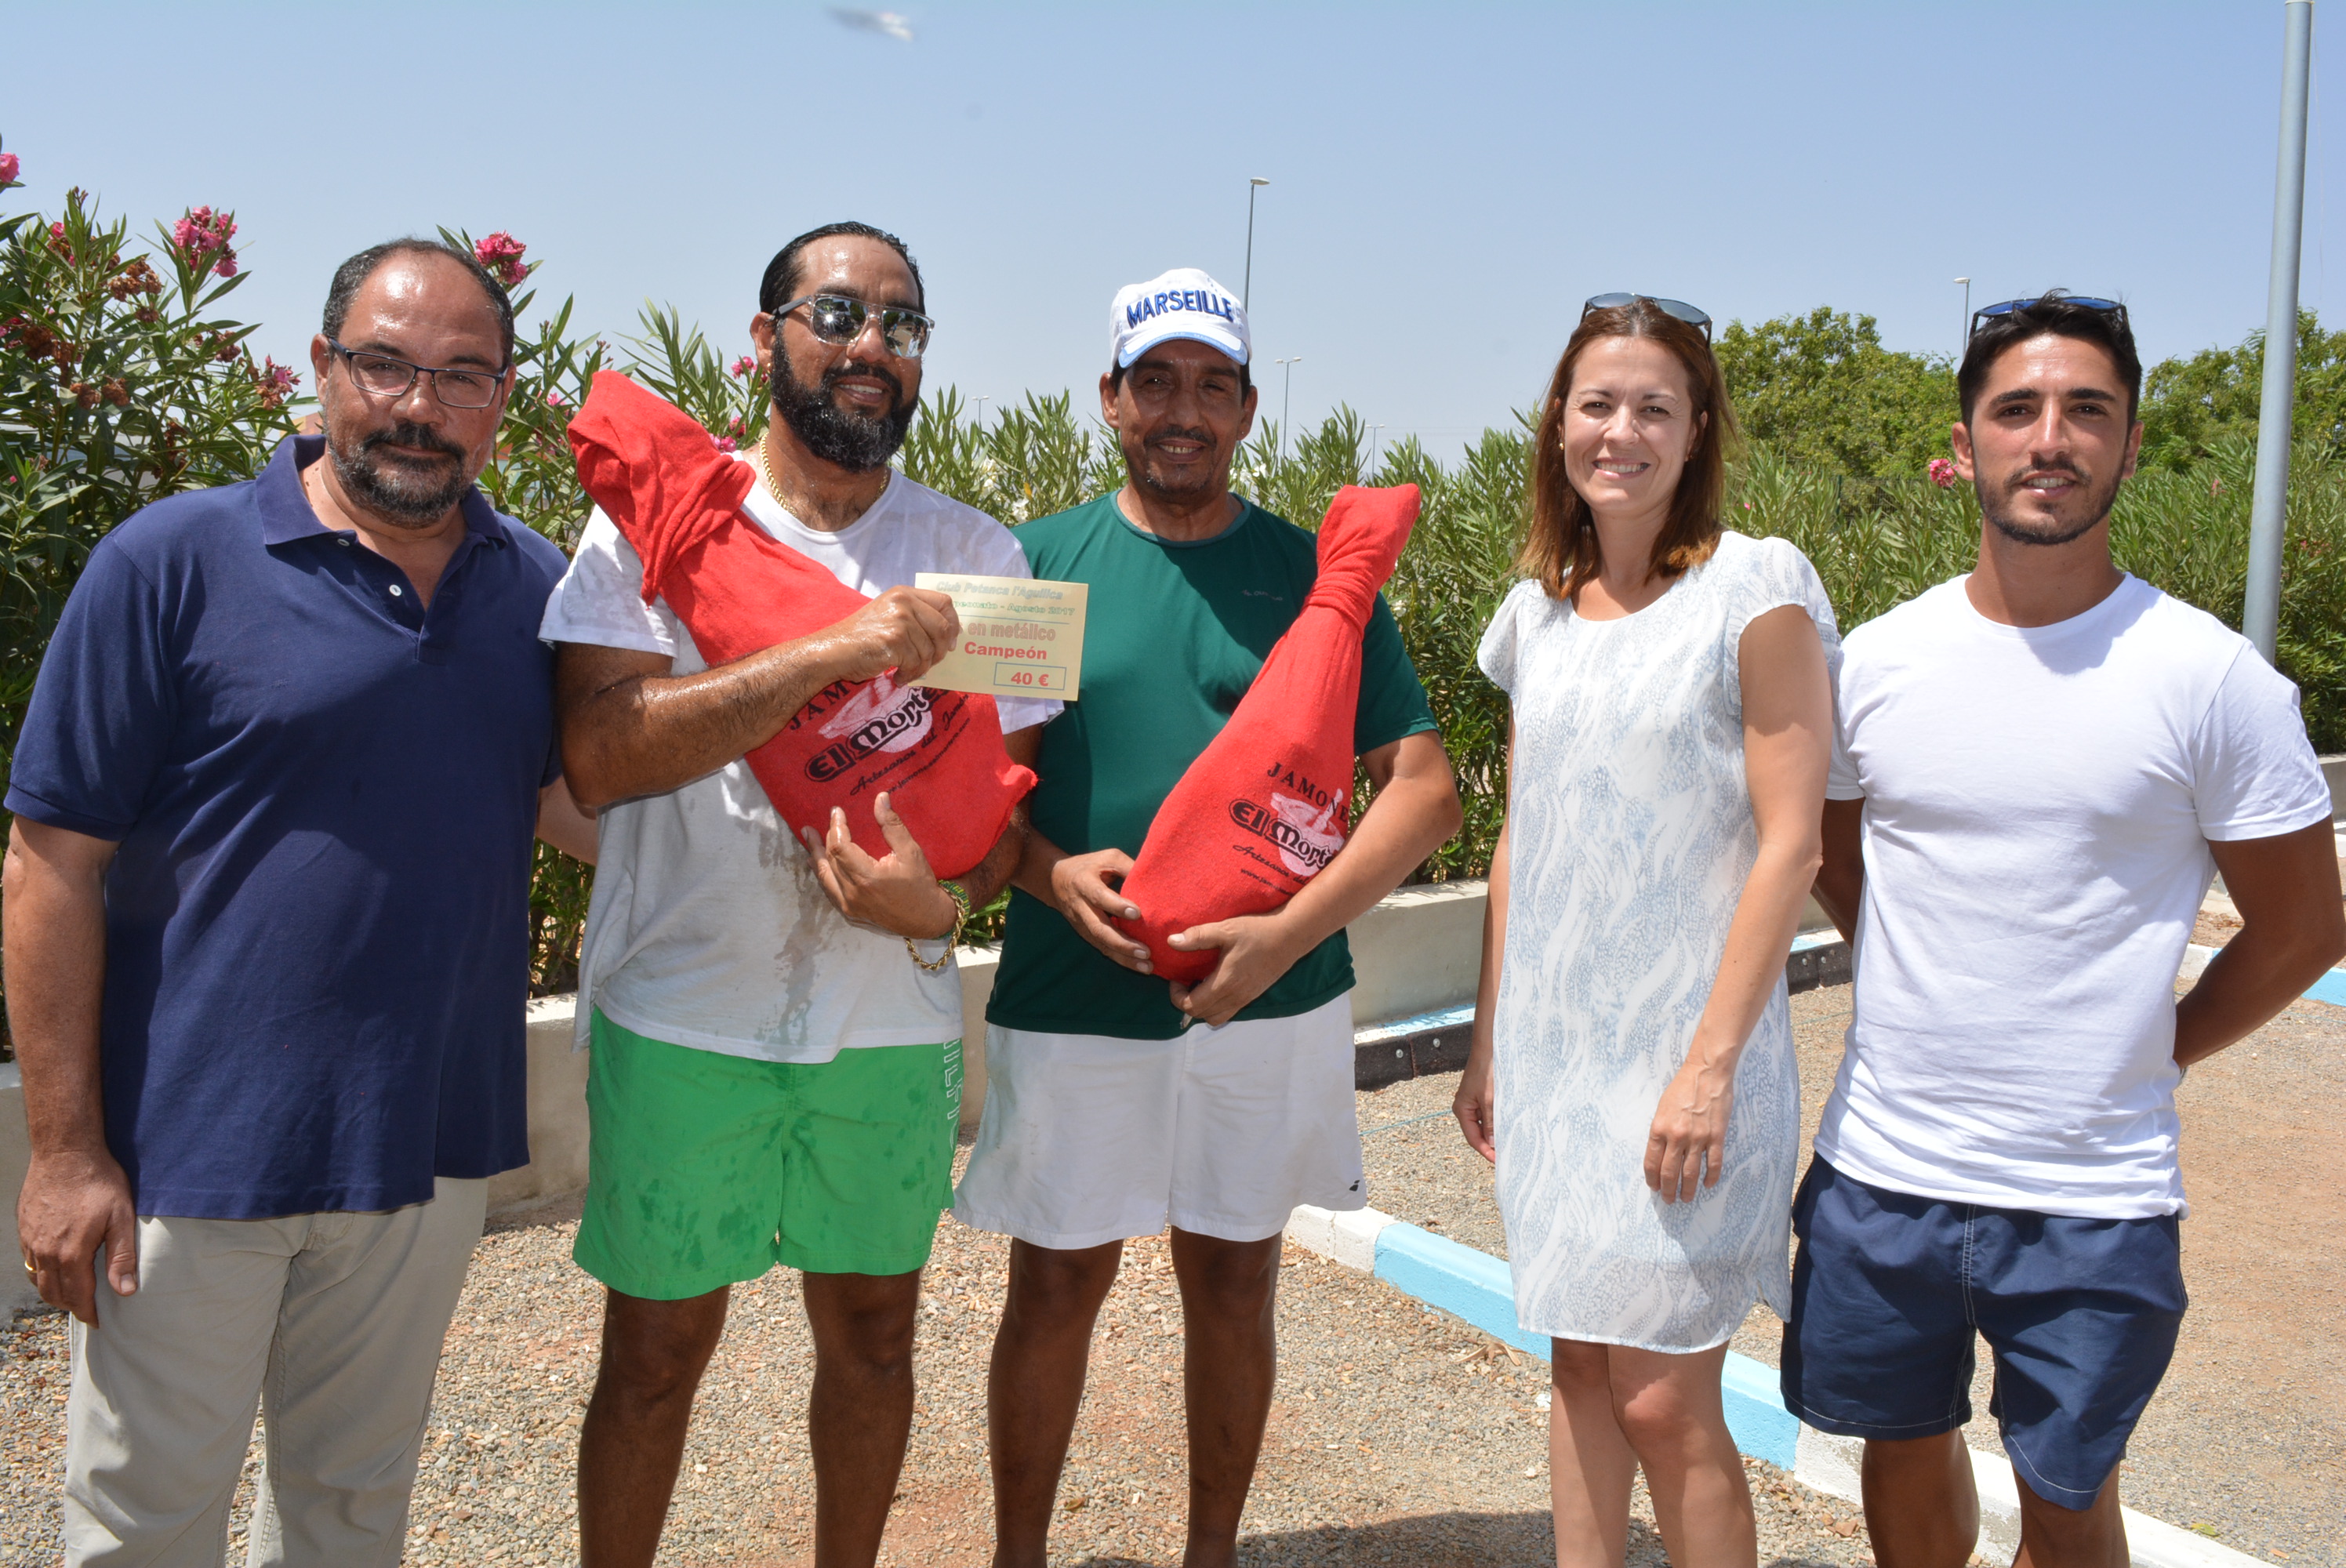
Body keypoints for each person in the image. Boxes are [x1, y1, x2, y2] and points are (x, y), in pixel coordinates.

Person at [5, 238, 596, 1566]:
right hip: (187, 1150)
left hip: (421, 1144)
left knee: (348, 1511)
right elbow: (51, 862)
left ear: (504, 398)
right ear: (324, 367)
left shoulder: (538, 592)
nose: (418, 405)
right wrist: (64, 1150)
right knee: (145, 1519)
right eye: (385, 364)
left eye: (461, 376)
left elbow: (577, 807)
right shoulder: (172, 562)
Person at [1790, 293, 2345, 1568]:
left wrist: (2157, 1047)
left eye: (2088, 410)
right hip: (1887, 1168)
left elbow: (2305, 927)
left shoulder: (2210, 680)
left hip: (2096, 1194)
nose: (2053, 437)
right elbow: (1831, 852)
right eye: (2019, 410)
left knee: (2067, 1494)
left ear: (2131, 445)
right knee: (1901, 1444)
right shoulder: (1873, 663)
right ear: (1967, 442)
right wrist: (1923, 979)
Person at [543, 221, 1056, 1568]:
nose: (871, 347)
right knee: (656, 1352)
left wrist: (937, 904)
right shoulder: (650, 529)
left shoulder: (978, 556)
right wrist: (829, 650)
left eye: (902, 325)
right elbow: (599, 756)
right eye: (838, 314)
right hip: (682, 1009)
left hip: (885, 1024)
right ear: (766, 337)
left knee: (878, 1337)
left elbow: (1004, 817)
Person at [957, 267, 1464, 1568]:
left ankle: (1213, 1555)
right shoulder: (1029, 564)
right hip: (1074, 994)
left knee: (1234, 1280)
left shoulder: (1316, 576)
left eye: (1214, 385)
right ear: (1109, 399)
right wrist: (1047, 874)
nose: (1185, 409)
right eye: (1157, 381)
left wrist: (1283, 938)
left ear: (1246, 408)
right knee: (1058, 1282)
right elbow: (965, 806)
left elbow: (1425, 793)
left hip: (1276, 1000)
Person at [1453, 293, 1838, 1568]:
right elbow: (1526, 838)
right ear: (1560, 421)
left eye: (1654, 408)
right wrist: (1487, 1040)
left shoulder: (1755, 585)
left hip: (1691, 1061)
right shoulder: (1541, 610)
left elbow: (1795, 841)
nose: (1621, 430)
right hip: (1557, 1054)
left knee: (1666, 1398)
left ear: (1697, 430)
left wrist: (1709, 1065)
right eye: (1598, 403)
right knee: (1575, 1363)